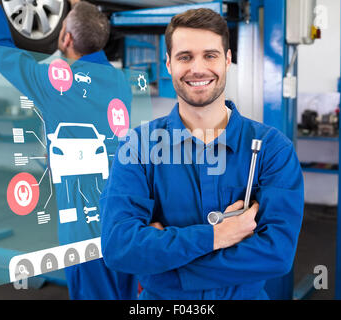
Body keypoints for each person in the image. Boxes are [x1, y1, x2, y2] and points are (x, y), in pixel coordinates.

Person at [100, 8, 304, 299]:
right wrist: (217, 236)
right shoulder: (138, 147)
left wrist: (165, 263)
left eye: (210, 55)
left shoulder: (272, 149)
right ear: (168, 64)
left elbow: (277, 254)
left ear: (228, 60)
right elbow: (119, 247)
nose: (198, 68)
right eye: (185, 57)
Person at [0, 0, 138, 299]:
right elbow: (92, 42)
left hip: (83, 229)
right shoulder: (120, 81)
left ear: (65, 38)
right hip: (123, 218)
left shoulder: (55, 84)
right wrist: (83, 12)